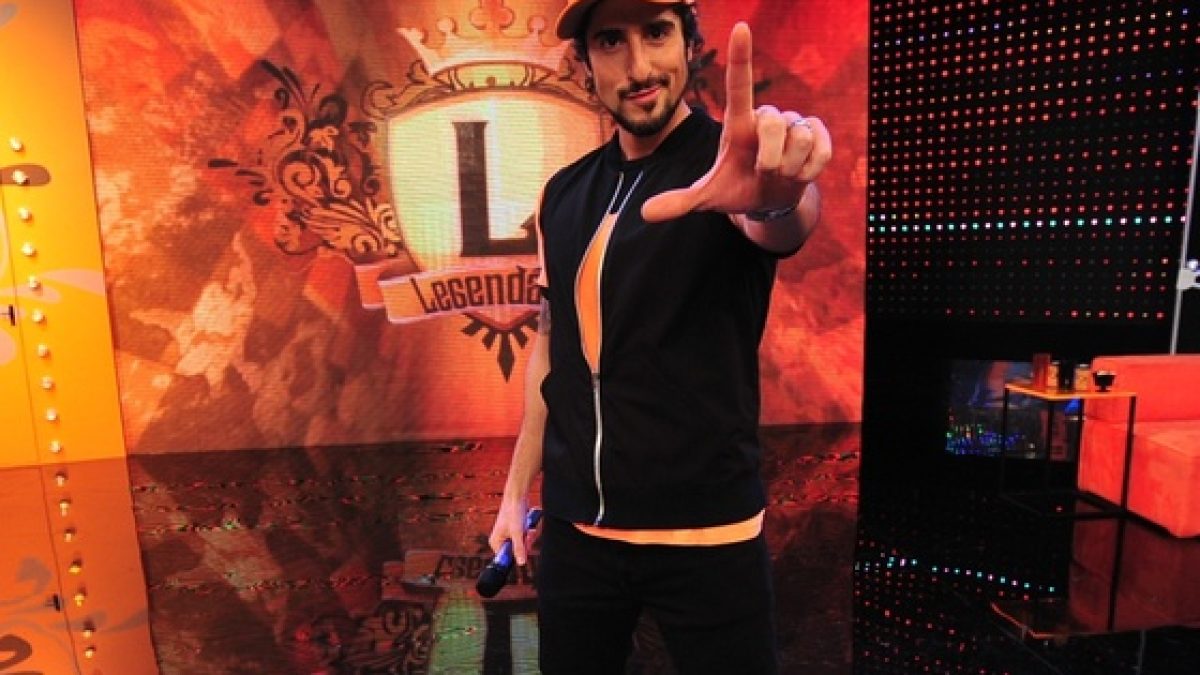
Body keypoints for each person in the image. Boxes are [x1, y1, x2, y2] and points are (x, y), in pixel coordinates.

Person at [487, 0, 832, 672]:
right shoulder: (563, 194)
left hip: (709, 536)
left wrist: (777, 198)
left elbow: (783, 221)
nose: (639, 65)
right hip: (579, 538)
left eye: (656, 33)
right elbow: (552, 348)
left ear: (689, 44)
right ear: (585, 64)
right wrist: (514, 491)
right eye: (611, 41)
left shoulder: (733, 165)